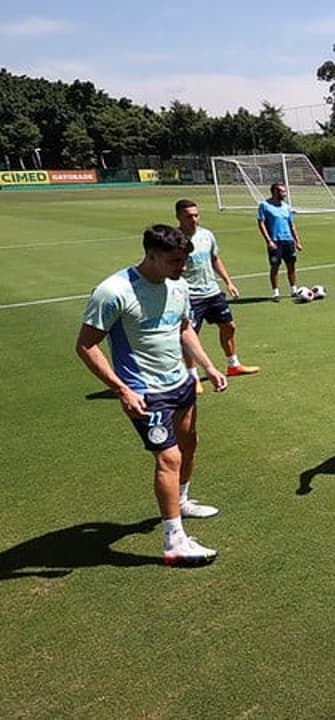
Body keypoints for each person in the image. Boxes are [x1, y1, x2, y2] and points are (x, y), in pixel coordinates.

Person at [75, 224, 228, 566]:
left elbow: (184, 329)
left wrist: (209, 366)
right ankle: (174, 541)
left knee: (190, 443)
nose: (182, 268)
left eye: (184, 260)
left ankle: (183, 501)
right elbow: (85, 345)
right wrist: (121, 389)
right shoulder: (113, 291)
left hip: (180, 383)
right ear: (151, 256)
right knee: (169, 457)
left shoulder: (179, 285)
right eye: (175, 261)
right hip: (144, 392)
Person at [175, 199, 259, 394]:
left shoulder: (207, 235)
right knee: (190, 337)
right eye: (189, 216)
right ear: (179, 217)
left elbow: (214, 259)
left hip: (212, 292)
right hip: (189, 296)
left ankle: (233, 364)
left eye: (196, 215)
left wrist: (228, 282)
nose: (194, 219)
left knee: (229, 326)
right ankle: (192, 376)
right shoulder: (174, 239)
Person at [256, 183, 304, 302]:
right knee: (275, 267)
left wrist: (297, 241)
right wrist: (269, 241)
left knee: (291, 266)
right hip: (275, 241)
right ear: (275, 192)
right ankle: (275, 293)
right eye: (282, 191)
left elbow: (292, 225)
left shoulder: (286, 207)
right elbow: (261, 224)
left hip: (288, 241)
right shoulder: (264, 205)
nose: (285, 194)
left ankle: (293, 290)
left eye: (285, 191)